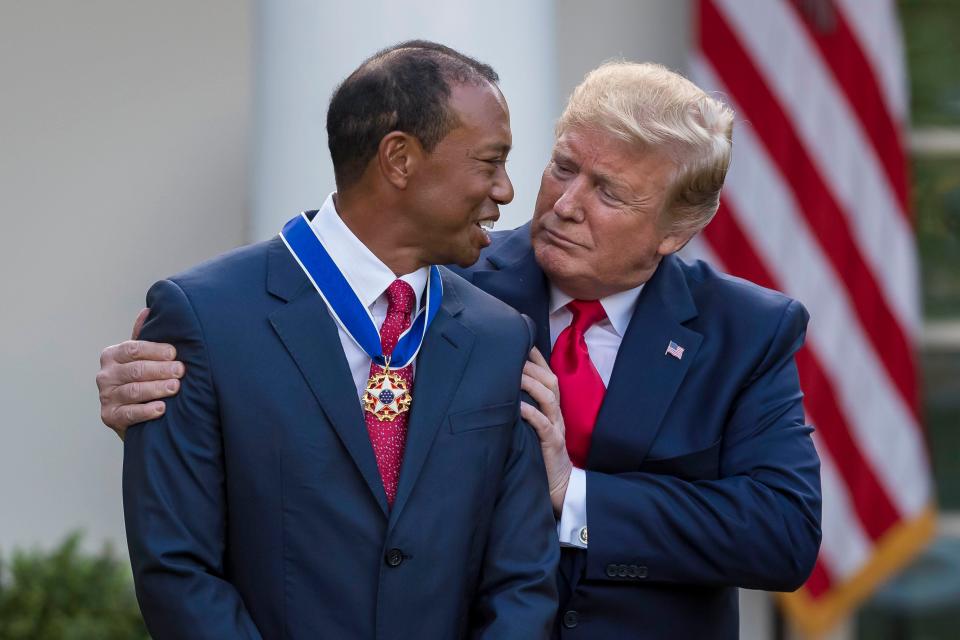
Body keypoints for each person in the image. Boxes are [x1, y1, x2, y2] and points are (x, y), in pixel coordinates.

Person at [98, 60, 822, 639]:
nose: (563, 203)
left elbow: (783, 534)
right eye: (564, 167)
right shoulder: (448, 276)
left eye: (609, 191)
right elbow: (281, 345)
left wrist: (574, 495)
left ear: (676, 229)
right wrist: (157, 382)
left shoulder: (747, 332)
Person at [108, 41, 560, 640]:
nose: (506, 190)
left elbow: (522, 582)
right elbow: (177, 567)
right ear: (398, 159)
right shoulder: (204, 318)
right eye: (489, 162)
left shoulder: (500, 336)